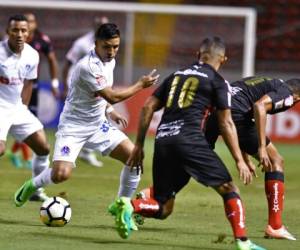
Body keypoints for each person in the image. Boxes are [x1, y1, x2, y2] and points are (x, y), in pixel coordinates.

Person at [109, 37, 266, 250]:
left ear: (198, 55)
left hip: (163, 140)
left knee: (163, 207)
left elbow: (147, 108)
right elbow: (226, 122)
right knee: (230, 189)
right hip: (190, 140)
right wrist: (240, 159)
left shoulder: (175, 75)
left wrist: (138, 145)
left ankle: (130, 205)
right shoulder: (217, 81)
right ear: (223, 59)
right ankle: (244, 242)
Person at [14, 23, 159, 213]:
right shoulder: (87, 66)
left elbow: (99, 95)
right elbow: (112, 96)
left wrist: (109, 111)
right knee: (60, 175)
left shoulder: (110, 61)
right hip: (73, 127)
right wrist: (140, 84)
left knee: (135, 158)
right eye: (107, 46)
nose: (112, 51)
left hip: (98, 125)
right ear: (96, 43)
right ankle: (33, 185)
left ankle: (121, 206)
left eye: (116, 47)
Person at [205, 76, 300, 240]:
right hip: (234, 115)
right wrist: (261, 148)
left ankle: (153, 196)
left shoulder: (267, 82)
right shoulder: (287, 94)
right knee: (275, 161)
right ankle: (275, 226)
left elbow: (244, 110)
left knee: (192, 158)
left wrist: (246, 158)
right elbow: (259, 106)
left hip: (217, 111)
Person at [0, 14, 51, 201]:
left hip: (18, 108)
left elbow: (29, 83)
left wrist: (23, 108)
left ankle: (36, 190)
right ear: (7, 32)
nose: (19, 34)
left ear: (29, 33)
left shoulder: (32, 55)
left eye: (23, 30)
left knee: (43, 148)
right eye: (15, 30)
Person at [8, 12, 59, 170]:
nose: (28, 25)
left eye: (31, 22)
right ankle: (22, 154)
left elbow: (52, 60)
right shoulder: (10, 45)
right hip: (10, 91)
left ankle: (18, 153)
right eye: (26, 22)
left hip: (31, 89)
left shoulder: (41, 42)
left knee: (32, 131)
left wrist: (54, 82)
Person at [61, 16, 109, 168]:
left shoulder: (106, 45)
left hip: (93, 86)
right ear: (94, 26)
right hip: (77, 86)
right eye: (99, 25)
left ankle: (83, 152)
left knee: (94, 117)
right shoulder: (82, 43)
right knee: (79, 118)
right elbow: (68, 62)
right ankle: (69, 152)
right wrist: (63, 85)